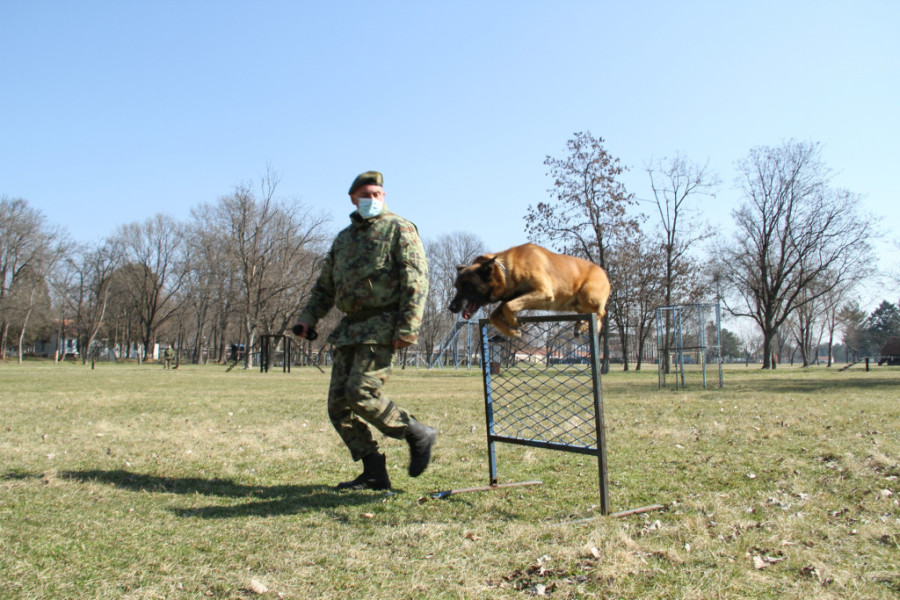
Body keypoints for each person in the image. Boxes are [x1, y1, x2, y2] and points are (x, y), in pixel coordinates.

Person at [293, 171, 436, 490]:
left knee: (361, 392)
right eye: (366, 194)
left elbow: (416, 279)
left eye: (378, 194)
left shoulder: (399, 228)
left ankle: (415, 432)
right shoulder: (344, 239)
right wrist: (308, 318)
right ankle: (373, 471)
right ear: (353, 199)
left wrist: (409, 325)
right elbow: (324, 288)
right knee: (338, 407)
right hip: (350, 329)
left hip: (383, 325)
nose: (373, 199)